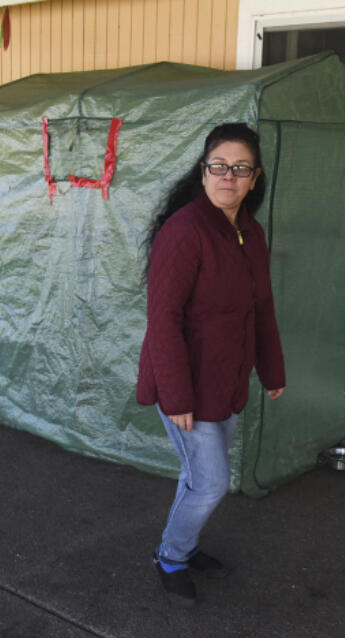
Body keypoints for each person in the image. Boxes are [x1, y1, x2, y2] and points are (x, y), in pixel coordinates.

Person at [136, 123, 286, 607]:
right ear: (202, 173)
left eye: (240, 168)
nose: (229, 176)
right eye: (219, 166)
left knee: (197, 477)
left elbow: (261, 307)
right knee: (211, 481)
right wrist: (176, 396)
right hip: (186, 386)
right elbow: (162, 319)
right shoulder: (184, 231)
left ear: (254, 178)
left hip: (226, 382)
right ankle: (170, 557)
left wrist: (272, 370)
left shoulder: (250, 234)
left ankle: (184, 545)